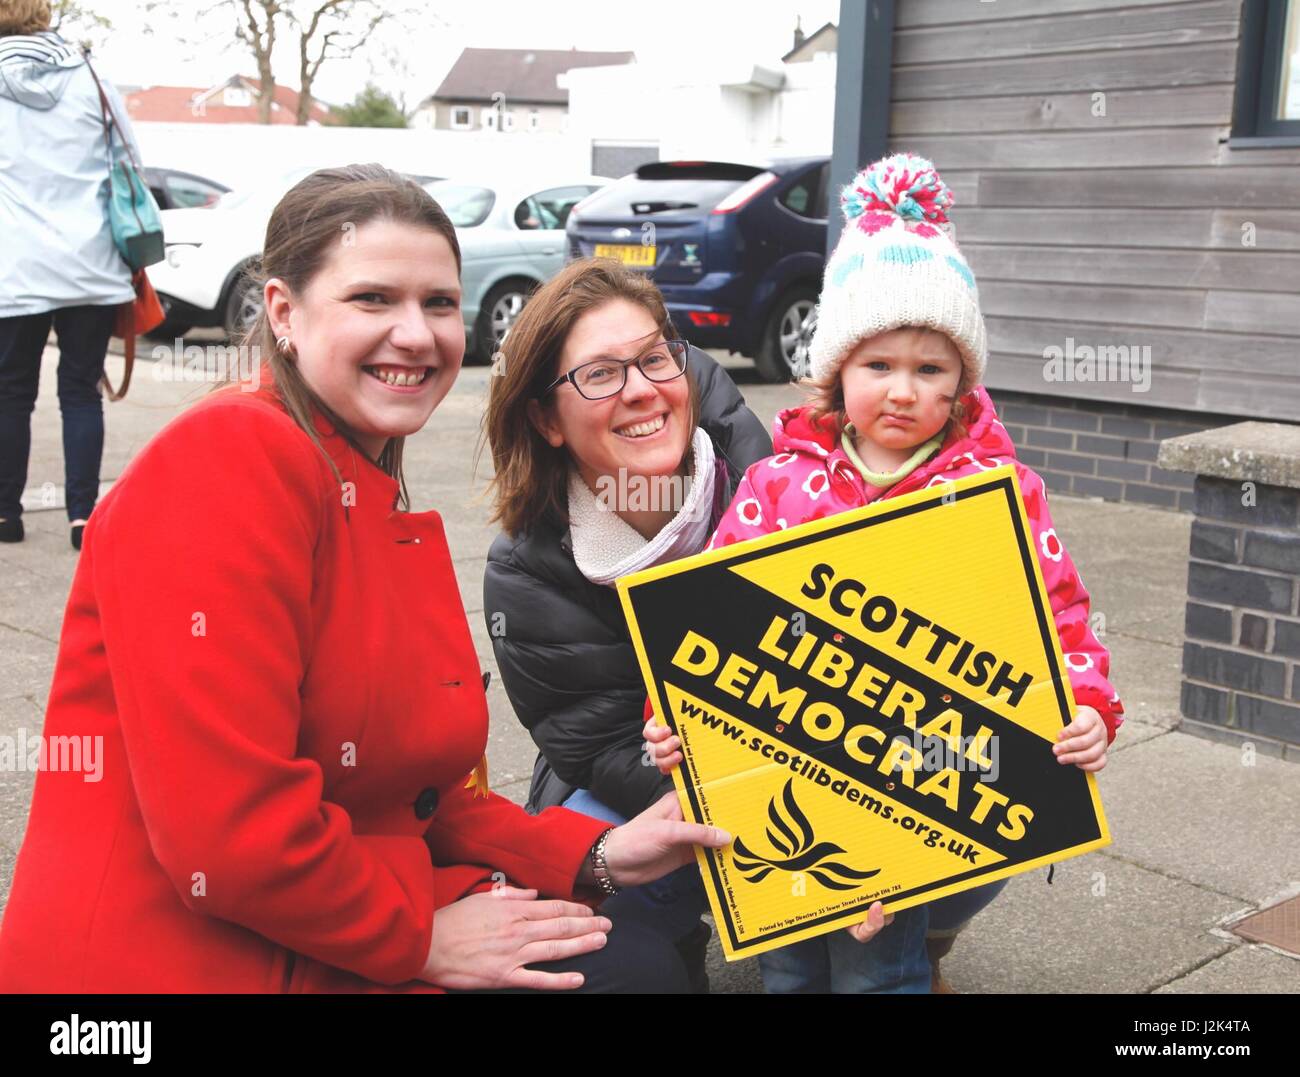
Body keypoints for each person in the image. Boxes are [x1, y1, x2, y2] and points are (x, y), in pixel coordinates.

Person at [0, 164, 730, 994]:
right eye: (373, 300)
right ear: (283, 312)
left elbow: (417, 791)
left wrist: (594, 853)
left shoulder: (358, 478)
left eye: (439, 304)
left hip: (319, 907)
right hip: (185, 958)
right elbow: (226, 840)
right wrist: (418, 941)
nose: (416, 334)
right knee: (626, 974)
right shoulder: (228, 462)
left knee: (625, 946)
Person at [644, 153, 1125, 994]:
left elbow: (1059, 615)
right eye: (878, 366)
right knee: (786, 967)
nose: (902, 391)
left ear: (962, 382)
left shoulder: (997, 494)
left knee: (881, 970)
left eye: (930, 369)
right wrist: (671, 718)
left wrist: (1086, 707)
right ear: (835, 370)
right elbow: (706, 611)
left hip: (924, 782)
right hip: (791, 774)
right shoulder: (777, 483)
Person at [480, 258, 775, 990]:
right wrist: (750, 800)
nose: (642, 389)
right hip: (646, 780)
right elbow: (603, 746)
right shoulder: (526, 567)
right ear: (546, 419)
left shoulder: (776, 482)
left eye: (652, 358)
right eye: (600, 374)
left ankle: (911, 942)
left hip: (812, 756)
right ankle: (665, 938)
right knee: (581, 936)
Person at [0, 0, 140, 550]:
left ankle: (6, 514)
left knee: (10, 393)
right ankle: (83, 517)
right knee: (81, 391)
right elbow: (129, 157)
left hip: (15, 267)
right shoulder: (90, 74)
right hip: (90, 264)